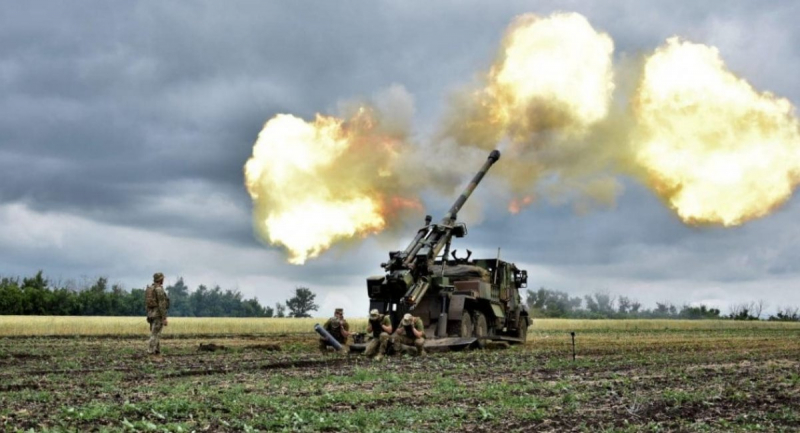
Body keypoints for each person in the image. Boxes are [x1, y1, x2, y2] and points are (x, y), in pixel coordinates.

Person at [145, 272, 170, 357]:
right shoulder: (159, 289)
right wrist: (164, 318)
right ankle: (150, 351)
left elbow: (147, 304)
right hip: (157, 314)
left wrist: (148, 315)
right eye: (162, 278)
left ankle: (157, 351)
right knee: (155, 334)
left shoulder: (150, 288)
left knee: (155, 333)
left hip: (151, 314)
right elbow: (162, 305)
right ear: (160, 279)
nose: (163, 280)